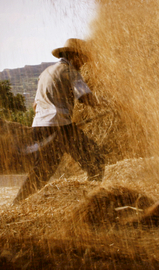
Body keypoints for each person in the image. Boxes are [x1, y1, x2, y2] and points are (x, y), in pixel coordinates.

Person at [13, 38, 105, 204]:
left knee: (41, 171)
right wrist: (107, 103)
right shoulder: (71, 71)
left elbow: (35, 105)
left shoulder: (46, 72)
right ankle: (93, 201)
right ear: (74, 56)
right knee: (95, 160)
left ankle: (18, 204)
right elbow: (85, 98)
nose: (83, 63)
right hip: (59, 126)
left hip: (40, 126)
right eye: (82, 58)